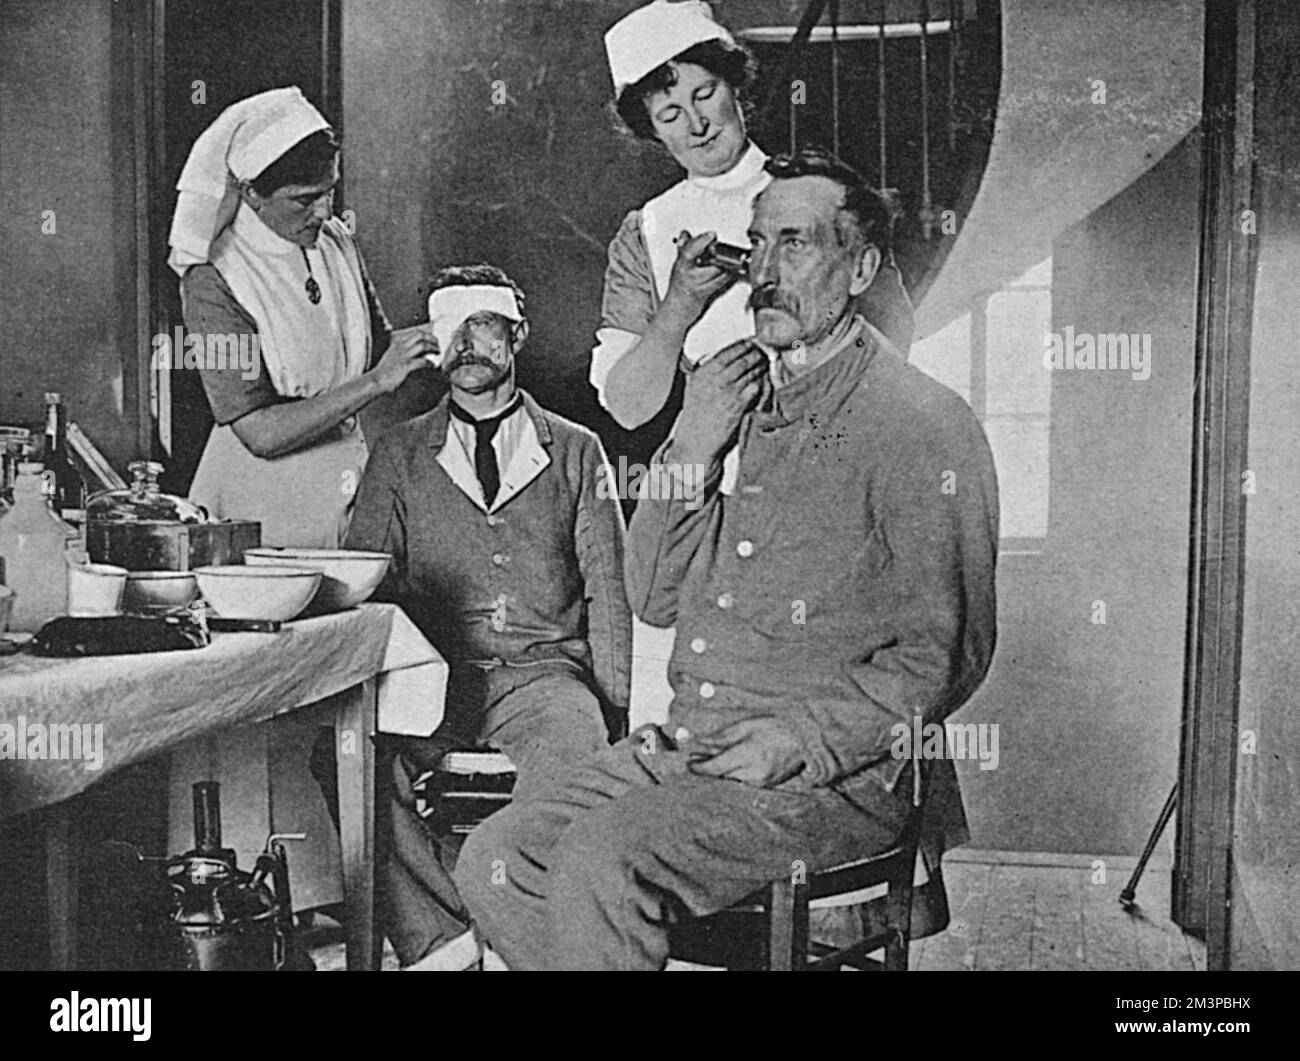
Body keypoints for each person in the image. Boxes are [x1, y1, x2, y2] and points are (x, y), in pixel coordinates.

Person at [454, 150, 999, 970]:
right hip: (692, 749)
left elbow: (946, 653)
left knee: (602, 862)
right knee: (496, 860)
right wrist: (691, 440)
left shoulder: (923, 423)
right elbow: (656, 593)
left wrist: (800, 740)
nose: (765, 273)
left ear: (863, 269)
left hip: (827, 783)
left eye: (797, 244)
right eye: (758, 244)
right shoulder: (740, 399)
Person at [318, 264, 633, 970]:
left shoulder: (577, 449)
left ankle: (532, 945)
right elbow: (367, 579)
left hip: (544, 677)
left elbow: (609, 592)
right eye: (449, 329)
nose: (466, 343)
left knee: (579, 773)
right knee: (345, 759)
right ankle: (444, 940)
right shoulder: (399, 450)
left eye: (483, 324)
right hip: (437, 672)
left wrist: (615, 710)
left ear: (516, 334)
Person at [592, 0, 914, 436]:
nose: (697, 123)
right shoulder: (645, 231)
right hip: (720, 473)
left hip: (831, 440)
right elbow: (628, 408)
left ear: (735, 88)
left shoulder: (818, 189)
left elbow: (893, 329)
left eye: (705, 94)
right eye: (670, 115)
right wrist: (680, 305)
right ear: (651, 130)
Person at [169, 86, 436, 547]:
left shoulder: (336, 242)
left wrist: (453, 331)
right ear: (251, 193)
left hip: (341, 482)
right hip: (258, 508)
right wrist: (375, 383)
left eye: (329, 192)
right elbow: (260, 433)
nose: (325, 211)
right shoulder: (213, 280)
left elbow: (381, 349)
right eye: (303, 199)